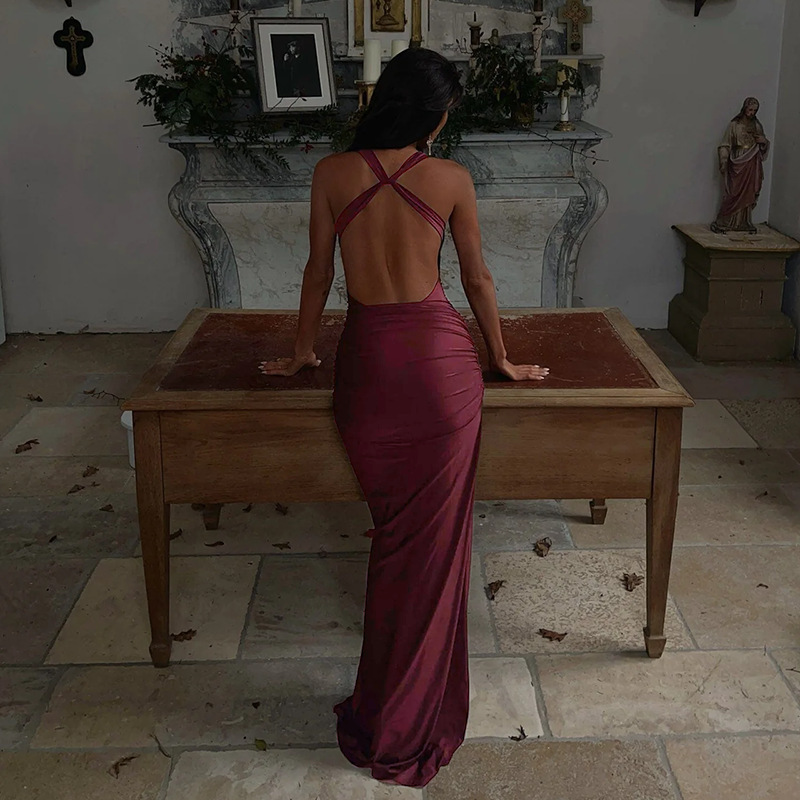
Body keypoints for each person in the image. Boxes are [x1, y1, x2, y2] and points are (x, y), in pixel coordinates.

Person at [258, 47, 549, 788]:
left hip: (369, 369)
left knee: (395, 542)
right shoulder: (450, 178)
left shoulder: (332, 172)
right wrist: (502, 358)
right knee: (433, 552)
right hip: (443, 373)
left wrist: (301, 352)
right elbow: (477, 278)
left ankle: (389, 707)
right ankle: (409, 714)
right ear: (436, 115)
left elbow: (318, 273)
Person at [711, 97, 770, 234]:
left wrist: (764, 142)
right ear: (744, 108)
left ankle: (744, 222)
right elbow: (725, 144)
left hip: (752, 162)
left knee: (749, 191)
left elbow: (763, 145)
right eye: (750, 110)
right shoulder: (734, 125)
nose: (752, 113)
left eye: (755, 110)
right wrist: (723, 160)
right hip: (737, 161)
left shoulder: (757, 125)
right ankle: (725, 221)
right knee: (733, 192)